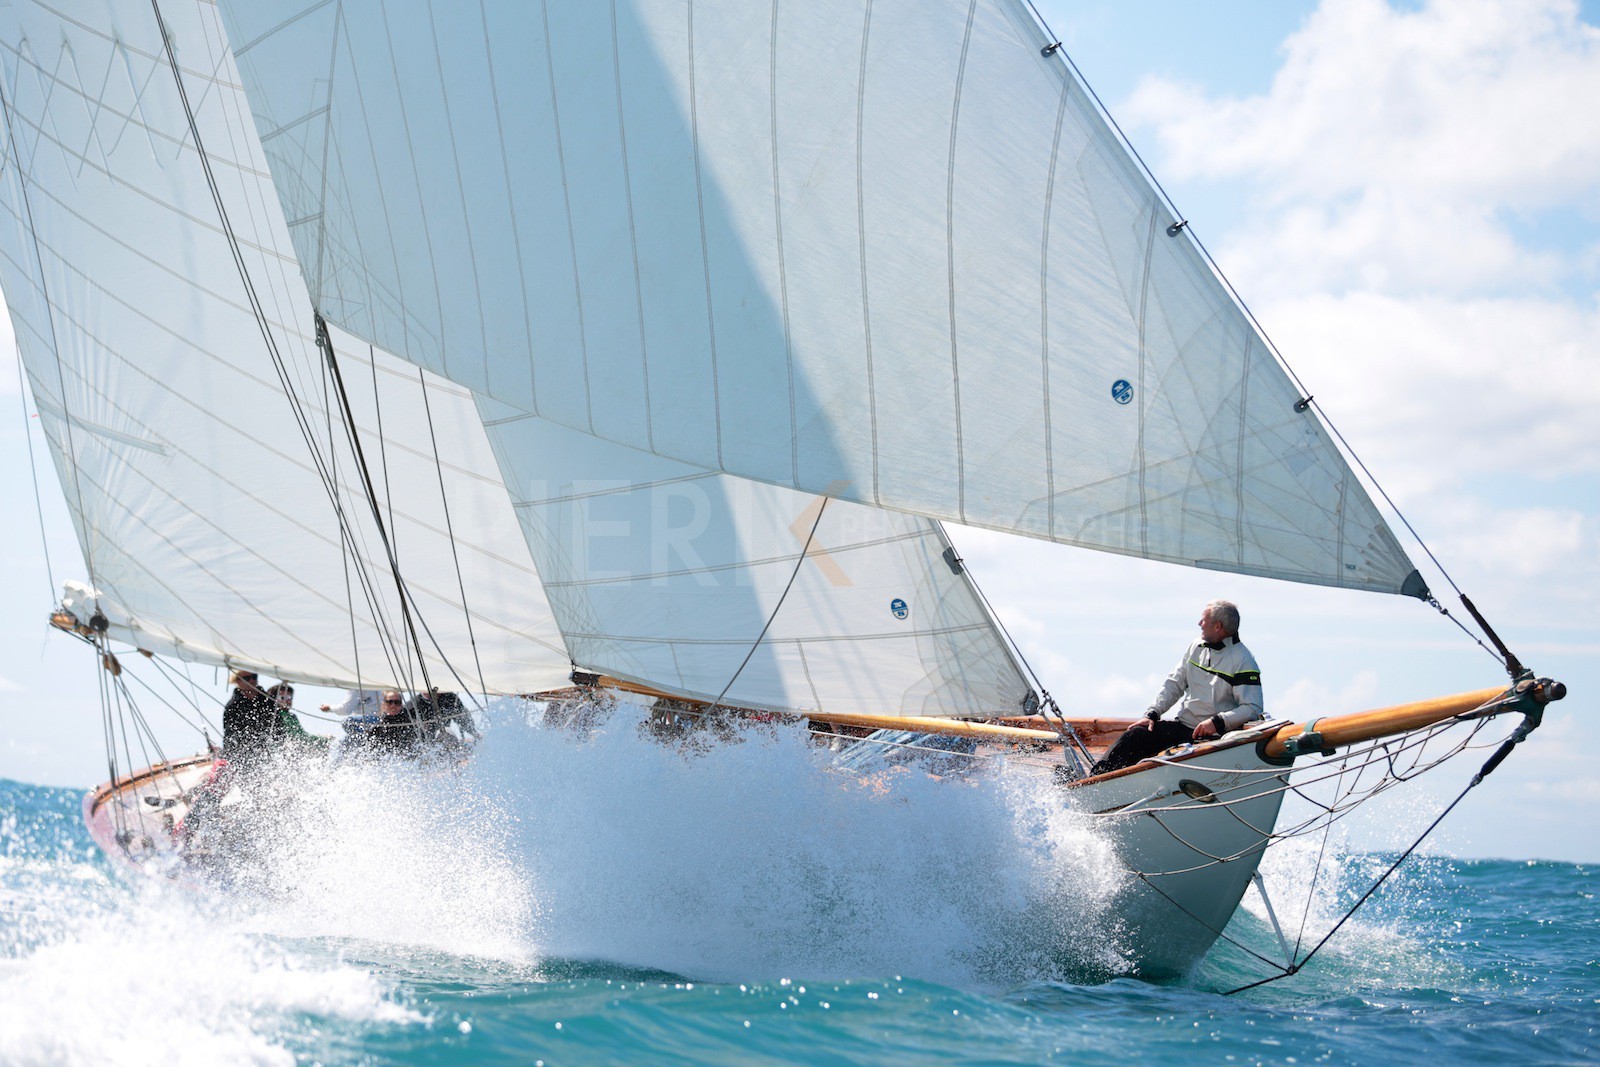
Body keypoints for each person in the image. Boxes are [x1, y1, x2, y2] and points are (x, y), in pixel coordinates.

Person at [1090, 600, 1263, 776]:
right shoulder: (1196, 646)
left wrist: (1217, 722)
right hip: (1183, 728)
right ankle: (1094, 780)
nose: (1199, 623)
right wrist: (1152, 714)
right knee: (1136, 735)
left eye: (1204, 620)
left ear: (1217, 626)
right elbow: (1174, 684)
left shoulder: (1243, 660)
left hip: (1215, 738)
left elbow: (1253, 708)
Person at [221, 669, 276, 768]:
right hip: (244, 757)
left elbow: (278, 724)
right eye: (247, 678)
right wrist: (231, 758)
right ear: (237, 681)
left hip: (269, 753)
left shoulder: (268, 700)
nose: (252, 680)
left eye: (254, 677)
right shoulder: (233, 706)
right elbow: (229, 735)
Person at [265, 683, 330, 755]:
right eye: (283, 697)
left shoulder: (290, 716)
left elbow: (301, 735)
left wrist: (322, 739)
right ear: (273, 699)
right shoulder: (275, 715)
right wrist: (324, 739)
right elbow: (300, 736)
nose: (288, 701)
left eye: (290, 698)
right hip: (277, 752)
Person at [363, 689, 422, 756]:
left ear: (401, 705)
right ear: (384, 704)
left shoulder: (411, 725)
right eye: (389, 702)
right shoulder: (377, 728)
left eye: (397, 702)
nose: (393, 705)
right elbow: (368, 750)